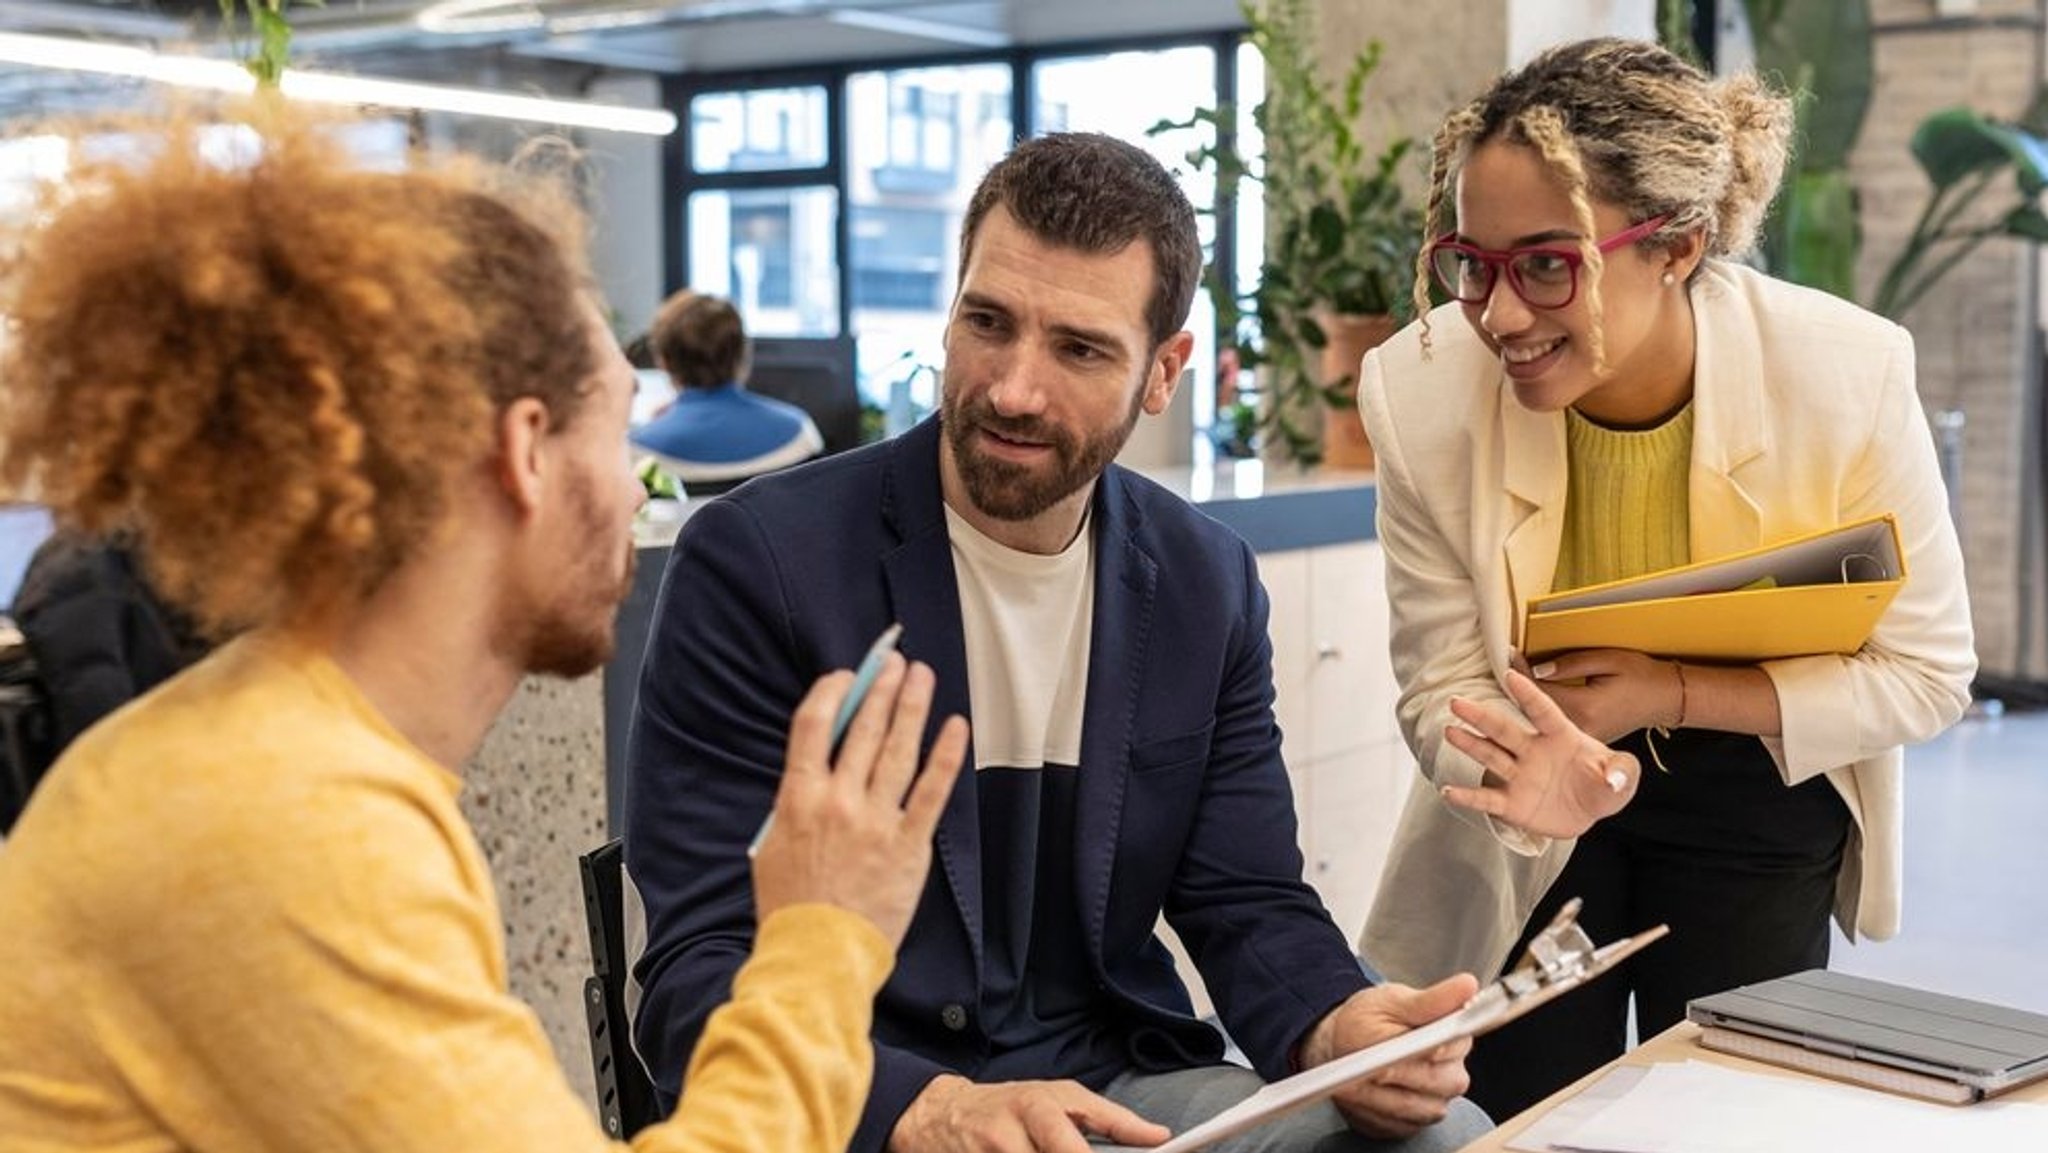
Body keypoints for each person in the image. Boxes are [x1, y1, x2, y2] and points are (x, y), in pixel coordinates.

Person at [0, 104, 967, 1153]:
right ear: (527, 451)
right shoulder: (286, 820)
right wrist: (823, 929)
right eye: (616, 429)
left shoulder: (295, 757)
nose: (625, 476)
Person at [626, 131, 1493, 1153]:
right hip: (859, 1094)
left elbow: (1243, 899)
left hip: (1112, 1086)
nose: (1012, 390)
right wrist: (929, 1108)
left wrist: (1337, 1028)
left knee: (1451, 1137)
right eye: (986, 323)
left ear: (1163, 371)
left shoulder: (1201, 582)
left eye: (1078, 349)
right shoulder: (760, 565)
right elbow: (698, 965)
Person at [1354, 37, 1977, 1121]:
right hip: (1533, 786)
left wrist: (1665, 691)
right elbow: (1433, 681)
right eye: (1471, 262)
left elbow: (1926, 671)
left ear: (1678, 246)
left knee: (1726, 1116)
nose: (1498, 314)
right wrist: (1515, 772)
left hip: (1760, 775)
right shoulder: (1417, 389)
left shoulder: (1844, 370)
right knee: (1517, 1117)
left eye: (1547, 263)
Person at [630, 289, 825, 497]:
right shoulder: (801, 434)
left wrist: (657, 426)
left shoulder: (637, 454)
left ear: (663, 361)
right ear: (742, 354)